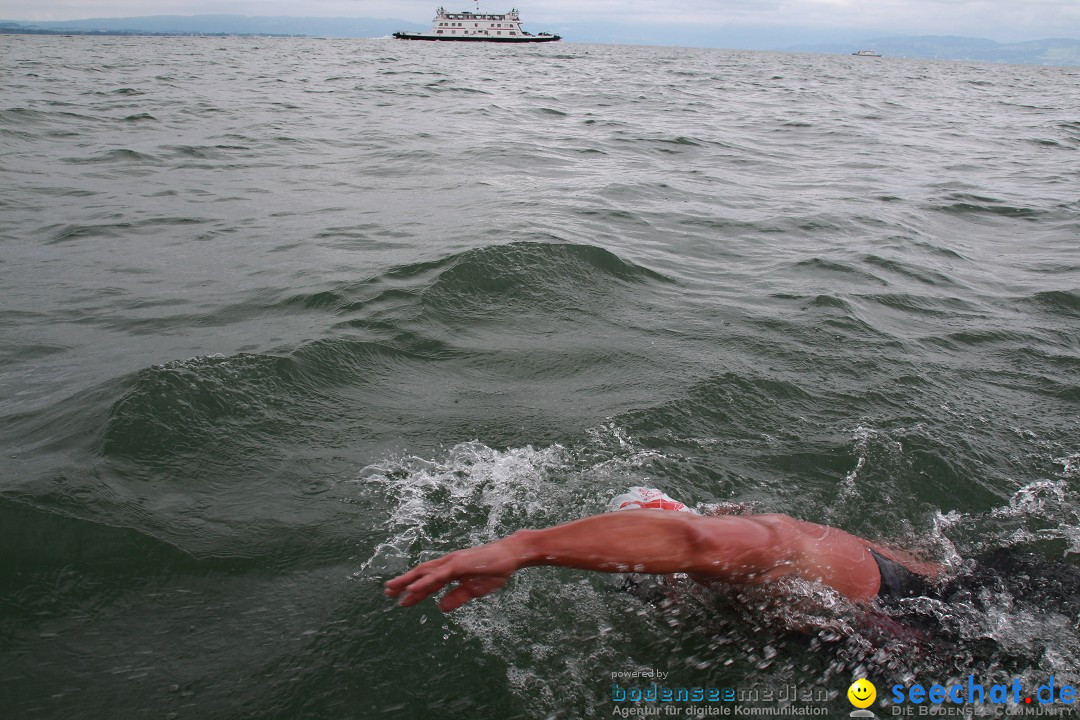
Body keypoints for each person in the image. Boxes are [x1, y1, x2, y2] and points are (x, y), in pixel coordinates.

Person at [385, 488, 940, 612]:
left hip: (915, 613)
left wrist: (521, 548)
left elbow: (692, 540)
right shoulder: (709, 570)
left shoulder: (761, 541)